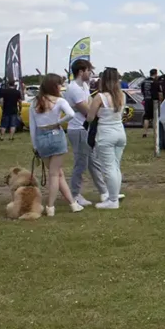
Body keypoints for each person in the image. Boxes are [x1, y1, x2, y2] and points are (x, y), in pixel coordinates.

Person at [30, 74, 83, 215]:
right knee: (55, 174)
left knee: (58, 173)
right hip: (56, 136)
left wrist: (35, 145)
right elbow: (71, 114)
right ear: (54, 86)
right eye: (59, 84)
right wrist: (58, 122)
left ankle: (73, 204)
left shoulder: (34, 102)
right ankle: (50, 207)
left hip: (41, 139)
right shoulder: (60, 101)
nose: (61, 87)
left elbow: (32, 127)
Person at [87, 68, 127, 210]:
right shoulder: (122, 95)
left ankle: (113, 200)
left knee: (109, 168)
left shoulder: (100, 97)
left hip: (106, 134)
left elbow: (90, 117)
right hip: (120, 132)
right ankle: (113, 195)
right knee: (115, 166)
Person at [65, 59, 97, 208]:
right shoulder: (74, 89)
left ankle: (105, 191)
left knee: (92, 162)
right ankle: (75, 194)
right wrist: (89, 108)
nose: (90, 73)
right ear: (80, 72)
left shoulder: (84, 85)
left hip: (85, 128)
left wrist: (90, 107)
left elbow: (90, 103)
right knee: (81, 163)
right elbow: (88, 111)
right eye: (88, 71)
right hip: (77, 129)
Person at [141, 69, 158, 138]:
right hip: (153, 101)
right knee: (155, 117)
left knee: (146, 117)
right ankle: (155, 133)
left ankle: (145, 133)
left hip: (146, 100)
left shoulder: (144, 81)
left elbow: (142, 91)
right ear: (156, 74)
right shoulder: (155, 82)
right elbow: (158, 92)